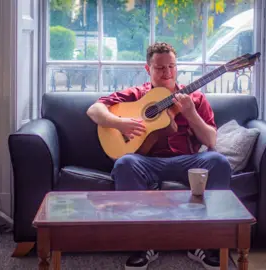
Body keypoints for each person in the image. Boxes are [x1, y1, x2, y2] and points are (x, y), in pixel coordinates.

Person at [87, 42, 231, 270]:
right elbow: (94, 110)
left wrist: (191, 114)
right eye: (160, 68)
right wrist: (120, 123)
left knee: (218, 161)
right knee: (125, 162)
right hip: (147, 162)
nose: (167, 73)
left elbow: (211, 141)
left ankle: (207, 244)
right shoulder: (136, 95)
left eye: (172, 67)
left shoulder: (194, 98)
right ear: (148, 69)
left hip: (186, 161)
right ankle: (142, 245)